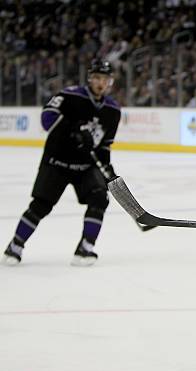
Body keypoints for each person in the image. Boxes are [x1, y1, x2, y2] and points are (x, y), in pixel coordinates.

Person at [2, 59, 121, 267]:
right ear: (90, 79)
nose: (101, 83)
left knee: (100, 199)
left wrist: (107, 168)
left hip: (85, 166)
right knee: (41, 206)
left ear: (110, 82)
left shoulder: (113, 110)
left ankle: (85, 248)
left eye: (105, 79)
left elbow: (104, 145)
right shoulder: (70, 95)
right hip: (57, 161)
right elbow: (47, 117)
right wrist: (73, 129)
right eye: (97, 78)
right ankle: (16, 246)